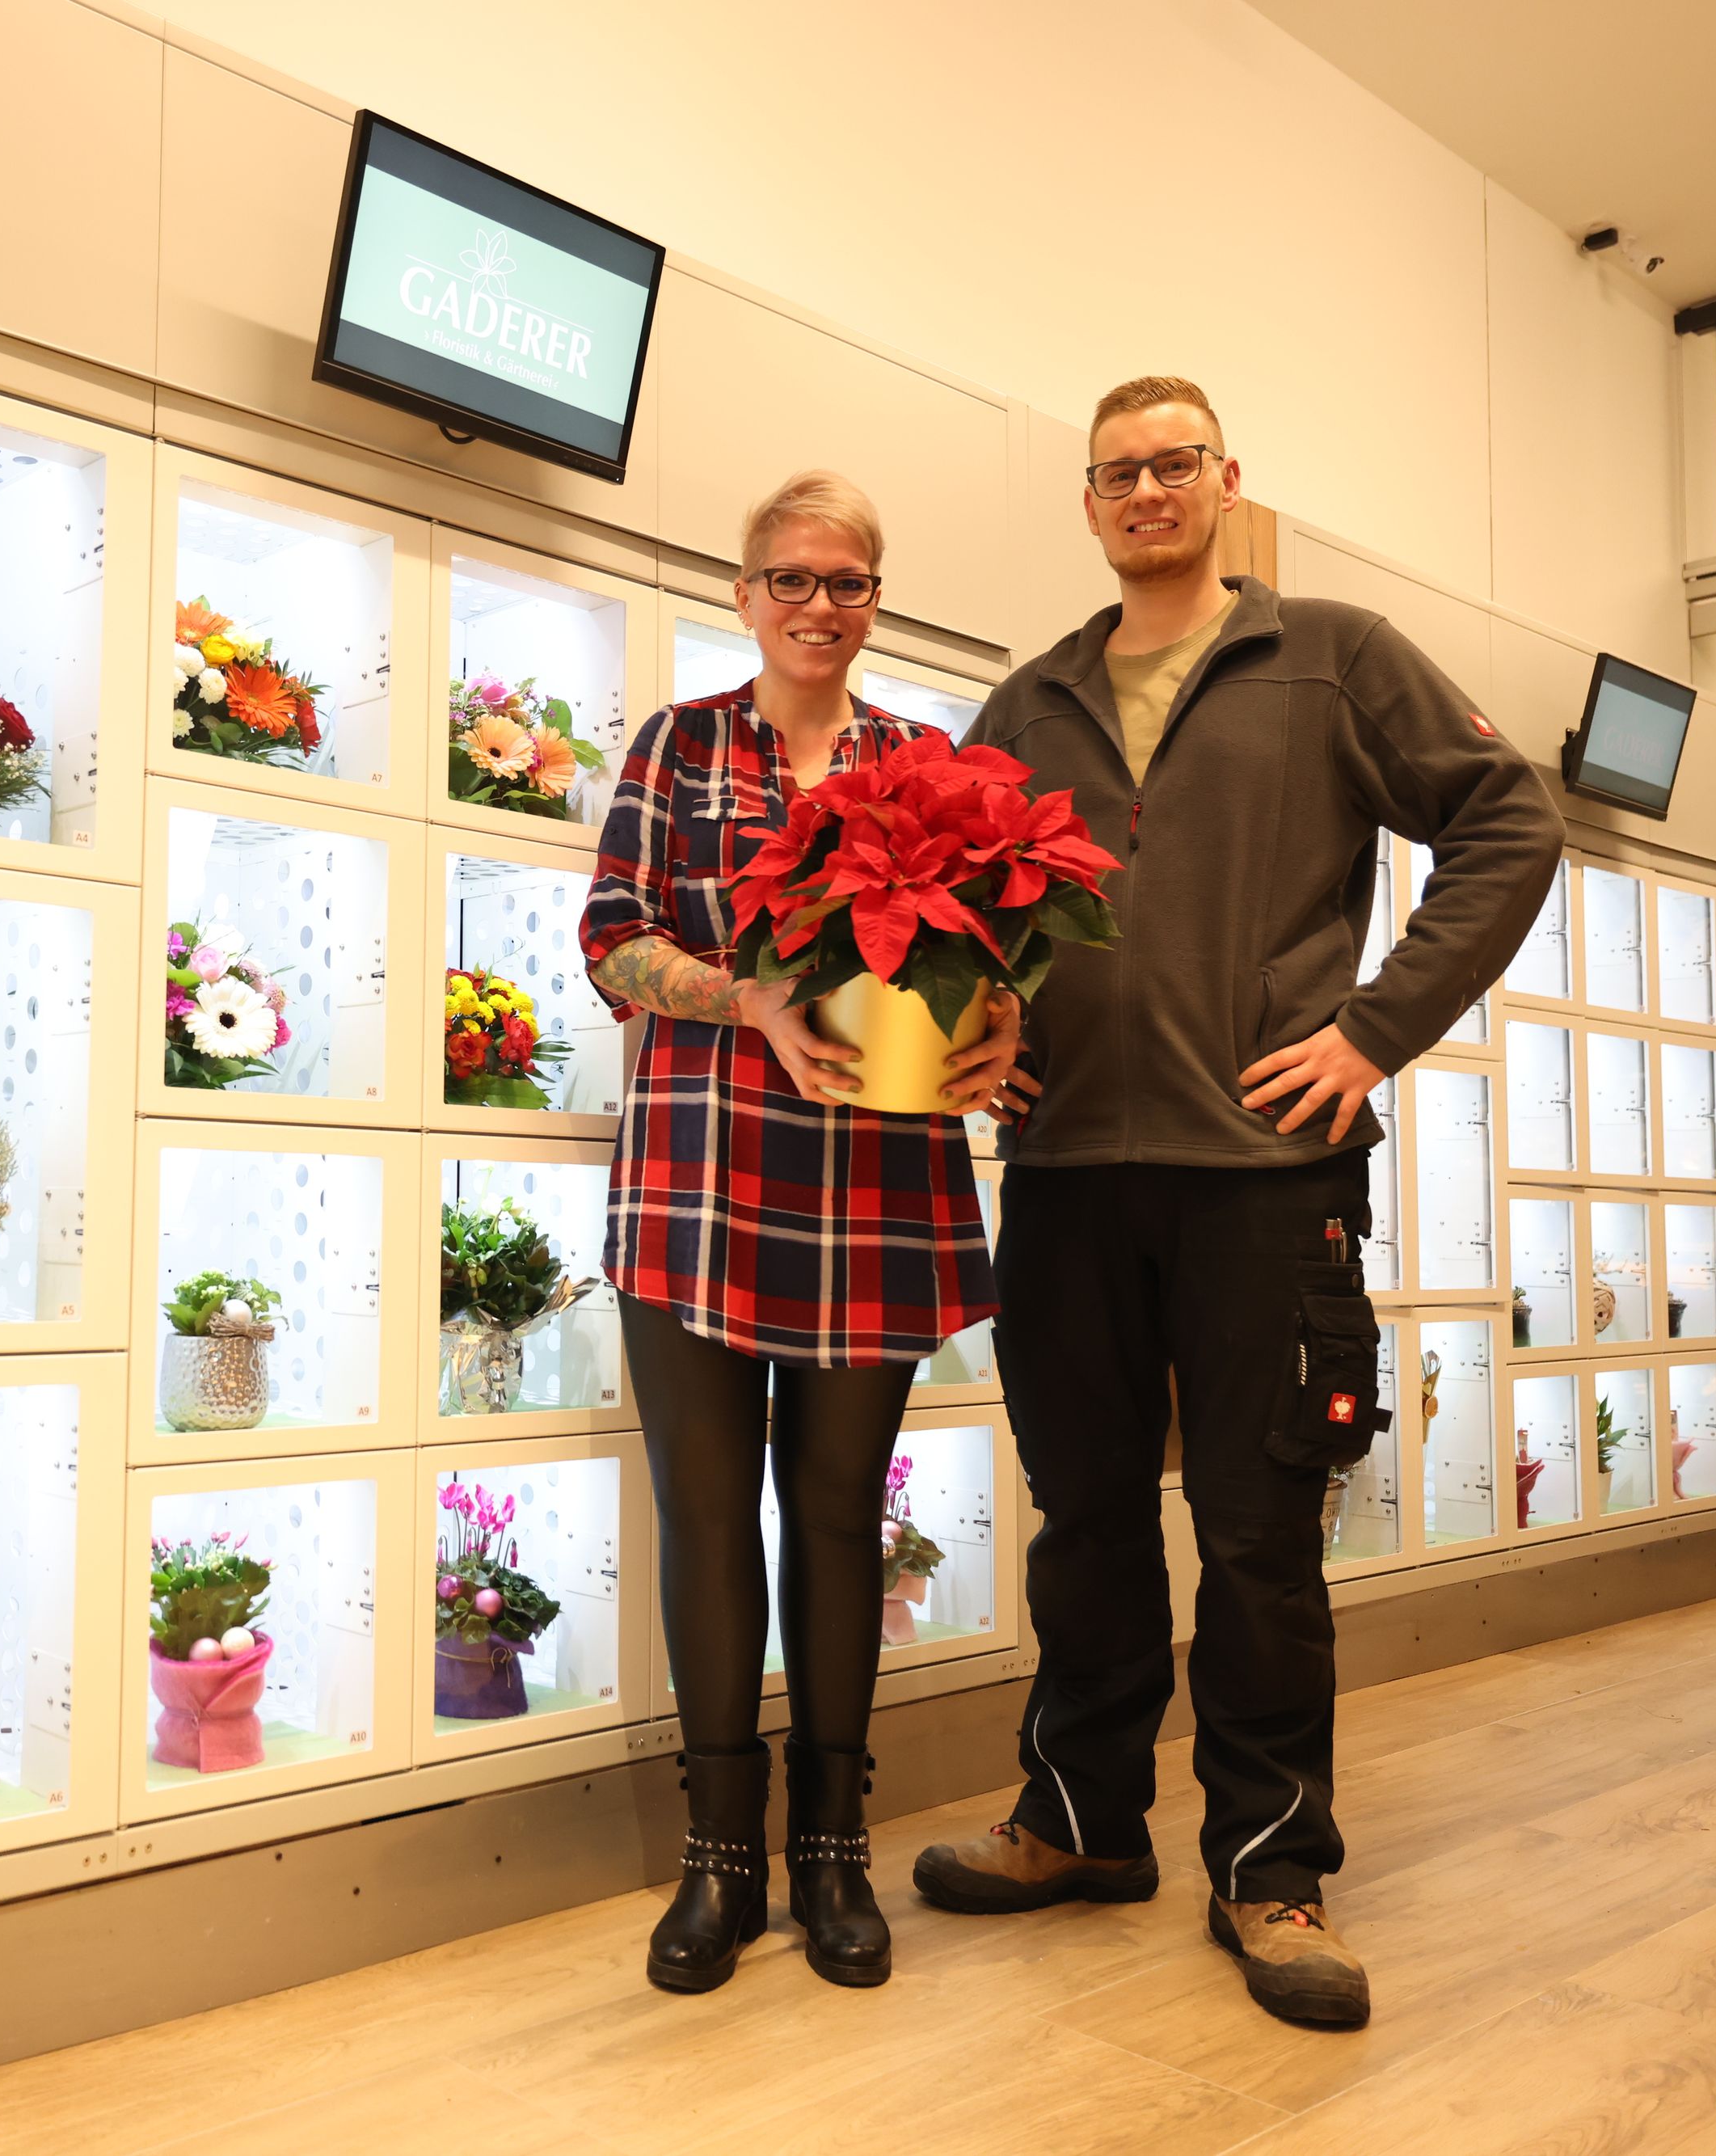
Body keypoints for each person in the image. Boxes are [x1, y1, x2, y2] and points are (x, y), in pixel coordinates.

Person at [911, 378, 1562, 2029]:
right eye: (1115, 471)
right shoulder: (1025, 702)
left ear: (1222, 482)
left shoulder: (1330, 656)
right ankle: (1078, 1817)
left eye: (1171, 463)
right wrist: (971, 1037)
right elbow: (955, 916)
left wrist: (1369, 1028)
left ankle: (1269, 1865)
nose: (1144, 489)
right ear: (1086, 501)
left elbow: (1507, 817)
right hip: (1061, 1176)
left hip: (1265, 1175)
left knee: (1260, 1531)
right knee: (1085, 1516)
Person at [580, 470, 1020, 1994]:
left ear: (875, 598)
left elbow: (994, 946)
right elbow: (614, 939)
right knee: (707, 1523)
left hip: (876, 1182)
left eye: (850, 581)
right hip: (701, 1181)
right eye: (793, 578)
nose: (820, 605)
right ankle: (722, 1860)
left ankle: (834, 1853)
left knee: (835, 1520)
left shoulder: (927, 761)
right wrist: (746, 995)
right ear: (746, 590)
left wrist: (1000, 1023)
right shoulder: (678, 746)